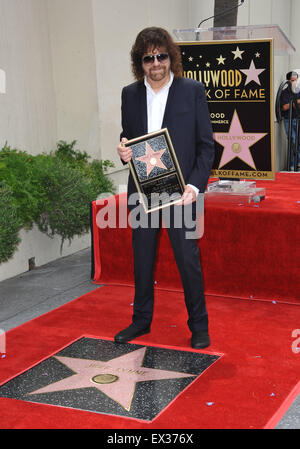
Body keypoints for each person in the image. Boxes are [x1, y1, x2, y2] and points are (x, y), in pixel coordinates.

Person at [114, 27, 215, 349]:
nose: (155, 63)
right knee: (142, 258)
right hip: (143, 189)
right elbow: (127, 137)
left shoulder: (192, 90)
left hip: (182, 191)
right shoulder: (129, 94)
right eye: (148, 58)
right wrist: (123, 150)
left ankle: (199, 325)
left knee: (187, 259)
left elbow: (205, 146)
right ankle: (140, 321)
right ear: (139, 62)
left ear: (171, 57)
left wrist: (195, 186)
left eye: (161, 56)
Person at [280, 71, 300, 171]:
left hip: (297, 119)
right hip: (288, 120)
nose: (294, 82)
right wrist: (296, 102)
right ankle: (292, 165)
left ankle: (298, 163)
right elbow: (284, 107)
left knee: (298, 141)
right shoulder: (284, 93)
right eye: (292, 80)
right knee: (292, 141)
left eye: (296, 80)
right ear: (288, 81)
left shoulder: (299, 91)